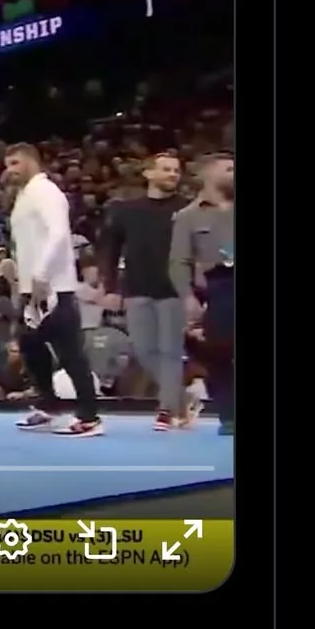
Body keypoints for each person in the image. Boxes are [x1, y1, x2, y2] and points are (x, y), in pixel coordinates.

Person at [4, 143, 103, 437]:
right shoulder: (24, 195)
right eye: (8, 164)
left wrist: (41, 274)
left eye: (15, 163)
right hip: (31, 289)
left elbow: (59, 234)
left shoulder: (46, 191)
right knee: (30, 345)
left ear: (32, 162)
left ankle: (90, 417)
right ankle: (48, 405)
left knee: (69, 352)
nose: (10, 170)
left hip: (53, 287)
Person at [97, 152, 191, 431]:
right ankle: (182, 399)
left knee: (170, 351)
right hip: (137, 288)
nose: (173, 174)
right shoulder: (126, 210)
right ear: (148, 173)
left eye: (176, 170)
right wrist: (110, 286)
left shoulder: (188, 209)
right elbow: (110, 249)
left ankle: (166, 410)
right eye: (166, 169)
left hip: (174, 289)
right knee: (144, 350)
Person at [170, 152, 235, 435]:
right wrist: (187, 296)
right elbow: (179, 261)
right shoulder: (188, 216)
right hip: (219, 285)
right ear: (207, 175)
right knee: (218, 353)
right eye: (229, 169)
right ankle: (230, 415)